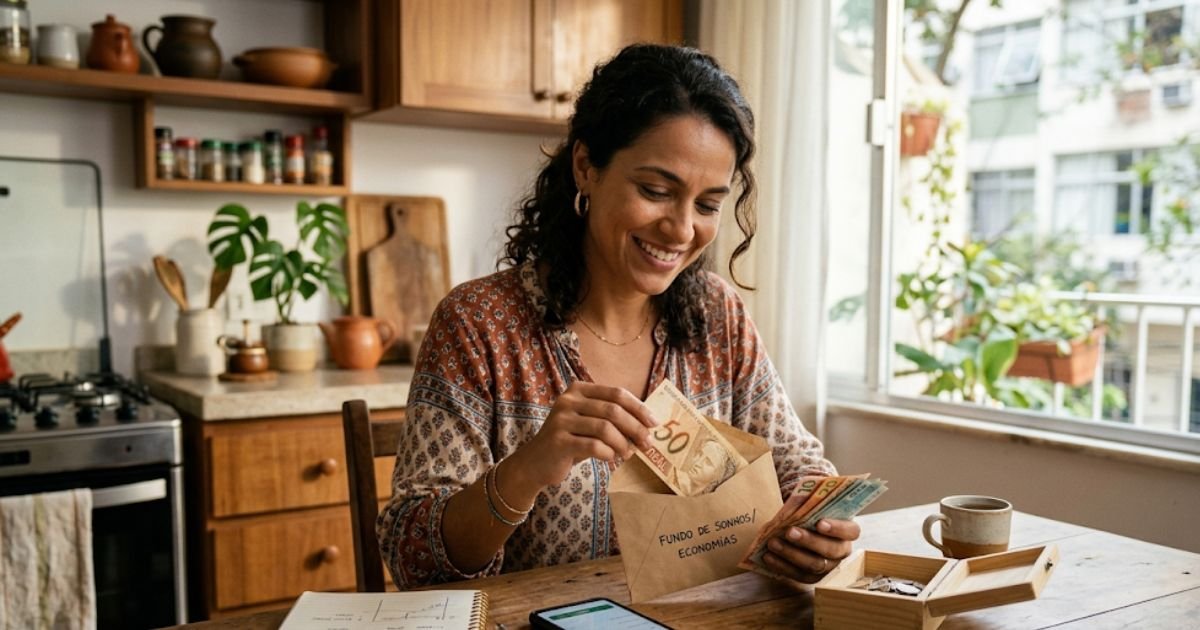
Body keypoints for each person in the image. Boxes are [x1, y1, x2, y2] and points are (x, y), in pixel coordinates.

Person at [378, 43, 858, 590]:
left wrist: (817, 527)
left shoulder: (716, 315)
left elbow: (797, 466)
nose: (681, 230)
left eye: (706, 205)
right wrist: (529, 467)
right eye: (656, 191)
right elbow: (412, 556)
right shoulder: (480, 324)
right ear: (586, 167)